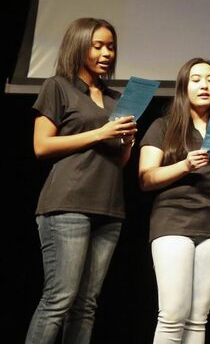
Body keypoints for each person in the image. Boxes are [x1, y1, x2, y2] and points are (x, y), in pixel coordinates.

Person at [25, 17, 138, 344]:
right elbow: (42, 145)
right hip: (68, 202)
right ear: (79, 46)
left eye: (111, 46)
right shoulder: (58, 86)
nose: (106, 53)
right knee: (59, 298)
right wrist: (101, 132)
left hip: (109, 206)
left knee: (86, 305)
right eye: (98, 45)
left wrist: (127, 141)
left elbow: (120, 160)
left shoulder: (116, 98)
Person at [138, 58, 210, 343]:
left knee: (198, 319)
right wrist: (184, 166)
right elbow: (146, 178)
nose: (205, 85)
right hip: (173, 221)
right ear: (183, 86)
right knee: (173, 314)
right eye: (197, 79)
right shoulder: (163, 126)